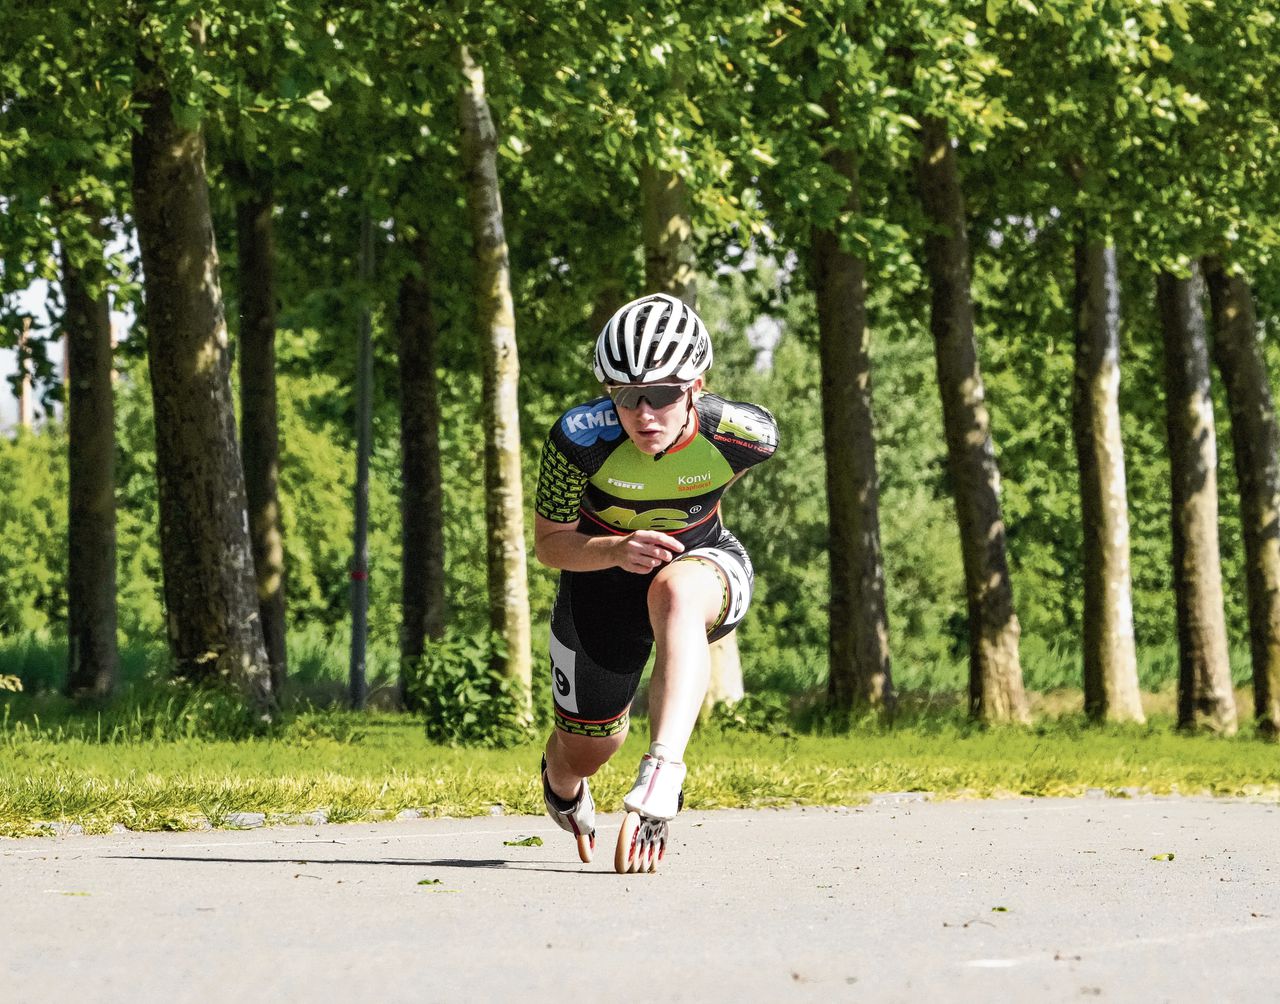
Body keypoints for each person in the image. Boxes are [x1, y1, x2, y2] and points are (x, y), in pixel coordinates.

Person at [532, 292, 779, 872]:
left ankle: (665, 769)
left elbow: (713, 482)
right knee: (592, 749)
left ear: (696, 386)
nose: (644, 414)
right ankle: (561, 777)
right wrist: (617, 548)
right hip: (598, 578)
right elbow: (549, 546)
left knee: (675, 590)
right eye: (625, 396)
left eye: (663, 394)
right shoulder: (578, 441)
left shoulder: (746, 435)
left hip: (702, 561)